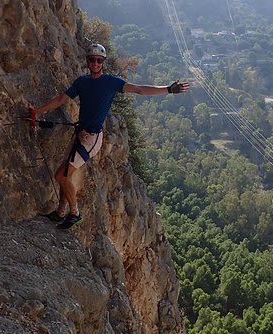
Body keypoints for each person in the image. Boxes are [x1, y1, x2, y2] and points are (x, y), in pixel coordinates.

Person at [32, 43, 190, 229]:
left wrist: (168, 89)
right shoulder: (81, 82)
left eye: (99, 60)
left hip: (91, 139)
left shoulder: (110, 82)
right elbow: (61, 99)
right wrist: (37, 112)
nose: (95, 63)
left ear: (103, 62)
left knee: (61, 175)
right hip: (80, 134)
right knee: (65, 172)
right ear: (88, 61)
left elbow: (139, 89)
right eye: (92, 60)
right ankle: (60, 212)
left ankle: (74, 213)